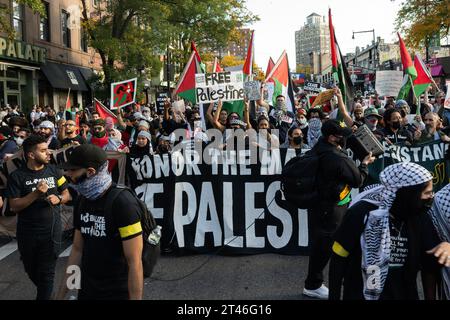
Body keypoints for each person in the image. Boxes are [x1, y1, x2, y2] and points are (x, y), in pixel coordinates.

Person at [329, 162, 450, 300]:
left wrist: (446, 246)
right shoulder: (362, 212)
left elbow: (430, 260)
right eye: (427, 193)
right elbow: (338, 259)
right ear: (409, 194)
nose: (431, 197)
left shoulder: (419, 217)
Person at [56, 144, 144, 300]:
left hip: (117, 293)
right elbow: (77, 251)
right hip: (88, 291)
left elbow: (134, 262)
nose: (68, 174)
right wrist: (61, 294)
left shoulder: (123, 202)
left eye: (73, 170)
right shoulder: (83, 200)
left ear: (90, 172)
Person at [303, 120, 375, 299]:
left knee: (320, 244)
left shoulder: (318, 148)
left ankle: (314, 282)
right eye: (341, 135)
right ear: (332, 137)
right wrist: (365, 163)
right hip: (331, 208)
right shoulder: (336, 157)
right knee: (325, 246)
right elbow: (358, 180)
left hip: (319, 205)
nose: (344, 138)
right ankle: (313, 284)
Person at [6, 135, 70, 300]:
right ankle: (47, 293)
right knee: (31, 269)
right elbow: (14, 206)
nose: (48, 153)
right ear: (31, 155)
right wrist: (35, 194)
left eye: (48, 149)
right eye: (43, 151)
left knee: (47, 272)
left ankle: (45, 295)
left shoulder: (54, 171)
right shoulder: (17, 177)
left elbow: (66, 194)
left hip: (51, 231)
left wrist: (59, 199)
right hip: (27, 232)